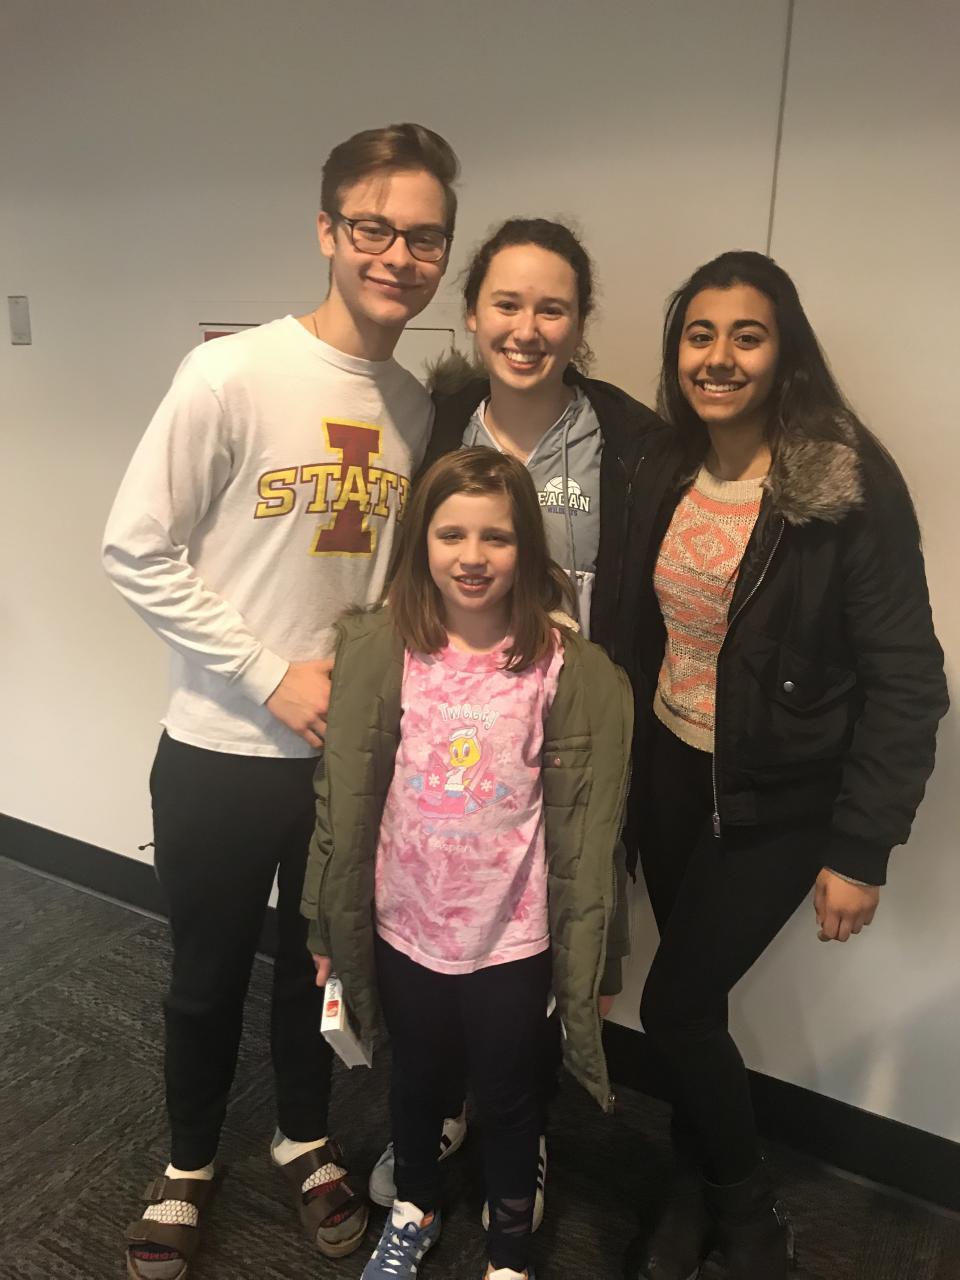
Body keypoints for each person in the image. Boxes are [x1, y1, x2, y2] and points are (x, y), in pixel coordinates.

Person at [102, 121, 460, 1278]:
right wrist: (269, 672)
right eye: (373, 227)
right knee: (204, 976)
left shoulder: (414, 408)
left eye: (424, 236)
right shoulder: (230, 374)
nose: (398, 254)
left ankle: (303, 1137)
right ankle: (186, 1163)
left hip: (342, 767)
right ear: (326, 230)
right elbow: (135, 548)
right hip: (218, 745)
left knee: (325, 970)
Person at [622, 250, 948, 1280]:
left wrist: (861, 847)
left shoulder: (843, 484)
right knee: (695, 1003)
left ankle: (749, 1212)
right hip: (671, 774)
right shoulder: (669, 463)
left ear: (785, 352)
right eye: (699, 334)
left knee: (672, 1007)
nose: (718, 357)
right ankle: (690, 1191)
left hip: (778, 798)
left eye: (746, 336)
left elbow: (909, 678)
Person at [366, 215, 662, 1218]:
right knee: (443, 949)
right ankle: (447, 1107)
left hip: (562, 754)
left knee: (537, 955)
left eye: (552, 308)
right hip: (456, 747)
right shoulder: (436, 423)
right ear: (471, 312)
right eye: (506, 303)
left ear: (580, 322)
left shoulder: (632, 444)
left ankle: (519, 1132)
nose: (527, 328)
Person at [302, 448, 633, 1280]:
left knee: (512, 1096)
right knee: (415, 1083)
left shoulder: (564, 668)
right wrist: (322, 922)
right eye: (452, 535)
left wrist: (602, 958)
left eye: (497, 537)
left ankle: (509, 1252)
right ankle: (412, 1212)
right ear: (422, 541)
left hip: (511, 940)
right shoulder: (382, 650)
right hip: (404, 928)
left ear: (528, 549)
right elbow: (339, 800)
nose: (473, 556)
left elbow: (595, 833)